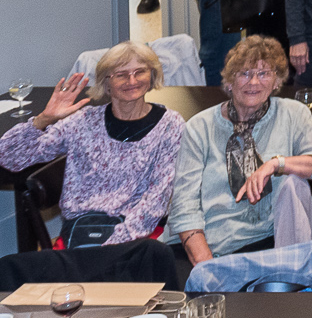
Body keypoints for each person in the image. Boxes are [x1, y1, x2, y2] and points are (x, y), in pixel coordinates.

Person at [168, 37, 312, 264]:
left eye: (263, 74)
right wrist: (208, 267)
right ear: (229, 82)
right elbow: (184, 206)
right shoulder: (199, 127)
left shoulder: (292, 114)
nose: (253, 82)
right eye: (244, 73)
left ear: (276, 82)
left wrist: (276, 164)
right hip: (213, 245)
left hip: (271, 241)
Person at [0, 43, 183, 248]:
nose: (132, 81)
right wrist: (43, 119)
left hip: (138, 237)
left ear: (152, 76)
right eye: (121, 75)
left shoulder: (171, 125)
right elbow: (9, 159)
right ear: (106, 83)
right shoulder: (83, 122)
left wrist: (110, 247)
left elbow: (156, 201)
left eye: (140, 72)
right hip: (80, 234)